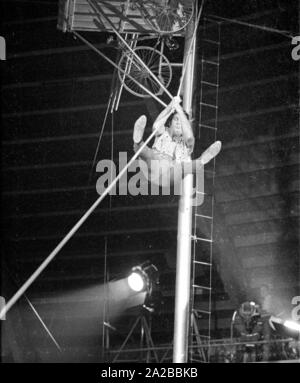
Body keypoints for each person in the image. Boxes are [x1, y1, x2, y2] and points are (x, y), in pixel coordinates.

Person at [133, 96, 221, 188]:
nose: (179, 123)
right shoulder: (163, 131)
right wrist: (171, 105)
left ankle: (202, 160)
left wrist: (179, 110)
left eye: (181, 121)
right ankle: (138, 140)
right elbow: (156, 125)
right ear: (170, 123)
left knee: (183, 168)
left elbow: (190, 137)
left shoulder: (186, 141)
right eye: (176, 119)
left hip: (170, 174)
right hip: (155, 167)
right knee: (148, 154)